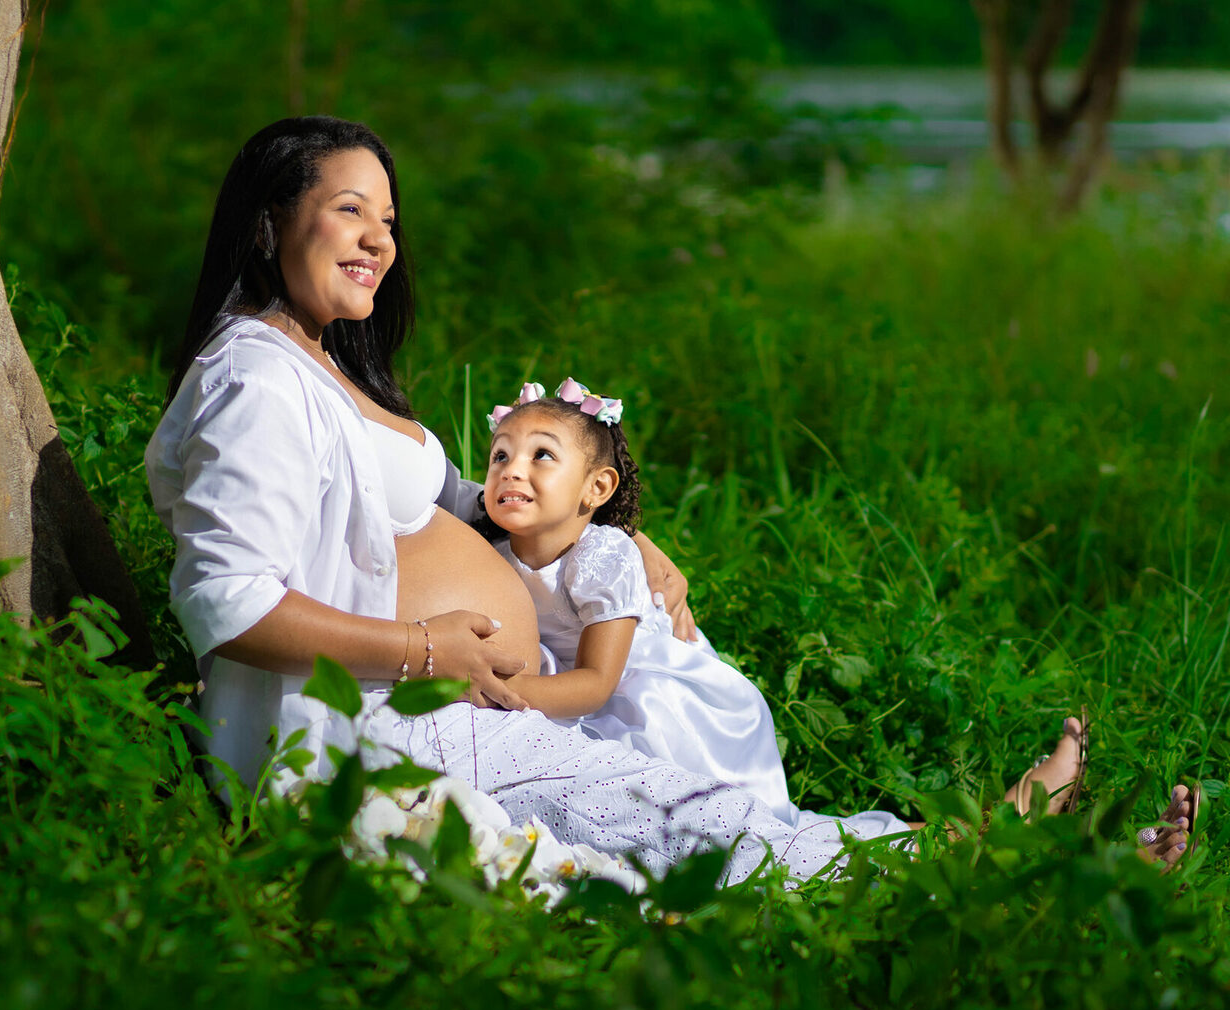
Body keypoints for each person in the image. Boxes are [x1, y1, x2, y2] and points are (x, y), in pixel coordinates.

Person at [145, 116, 1194, 882]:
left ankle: (1018, 856)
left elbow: (446, 505)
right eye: (349, 210)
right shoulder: (255, 378)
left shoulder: (320, 367)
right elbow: (231, 606)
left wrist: (611, 537)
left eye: (390, 217)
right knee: (683, 836)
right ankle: (1006, 855)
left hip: (460, 715)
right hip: (388, 732)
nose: (380, 236)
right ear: (267, 223)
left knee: (694, 817)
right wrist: (432, 651)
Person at [476, 377, 797, 819]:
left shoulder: (603, 555)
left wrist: (508, 693)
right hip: (562, 682)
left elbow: (597, 683)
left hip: (633, 684)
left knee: (656, 788)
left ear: (597, 488)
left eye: (542, 455)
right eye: (500, 456)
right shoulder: (489, 555)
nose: (511, 470)